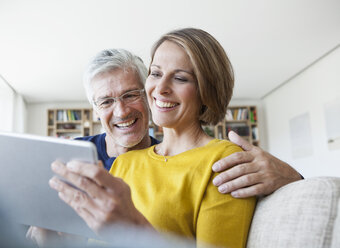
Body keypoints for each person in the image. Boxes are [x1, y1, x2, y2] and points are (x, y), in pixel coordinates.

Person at [28, 47, 302, 245]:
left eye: (130, 94)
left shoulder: (219, 160)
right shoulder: (100, 160)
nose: (122, 111)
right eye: (156, 74)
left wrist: (293, 179)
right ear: (95, 110)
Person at [48, 28, 256, 247]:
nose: (161, 88)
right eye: (155, 73)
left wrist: (134, 229)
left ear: (207, 90)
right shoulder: (126, 162)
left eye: (180, 78)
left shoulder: (223, 160)